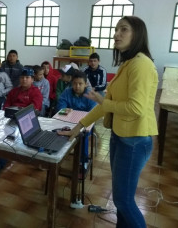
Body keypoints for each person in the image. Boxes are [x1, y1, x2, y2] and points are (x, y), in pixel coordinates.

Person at [60, 16, 158, 228]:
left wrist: (103, 101)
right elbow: (104, 106)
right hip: (121, 136)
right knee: (123, 200)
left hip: (134, 140)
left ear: (138, 34)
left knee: (123, 200)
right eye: (116, 30)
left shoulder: (141, 65)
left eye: (124, 30)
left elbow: (136, 108)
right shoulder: (128, 63)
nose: (116, 34)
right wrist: (77, 128)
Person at [0, 67, 43, 180]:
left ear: (32, 79)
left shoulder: (36, 92)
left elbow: (34, 109)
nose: (24, 80)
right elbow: (6, 105)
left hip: (27, 121)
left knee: (10, 138)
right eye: (22, 77)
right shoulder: (14, 91)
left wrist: (19, 113)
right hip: (12, 118)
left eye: (27, 77)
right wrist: (10, 112)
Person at [57, 71, 97, 162]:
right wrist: (65, 110)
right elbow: (60, 108)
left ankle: (83, 162)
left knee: (82, 135)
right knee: (57, 131)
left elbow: (92, 113)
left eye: (80, 84)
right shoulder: (67, 92)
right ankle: (56, 156)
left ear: (86, 84)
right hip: (68, 122)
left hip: (85, 124)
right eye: (75, 83)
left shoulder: (91, 95)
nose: (77, 86)